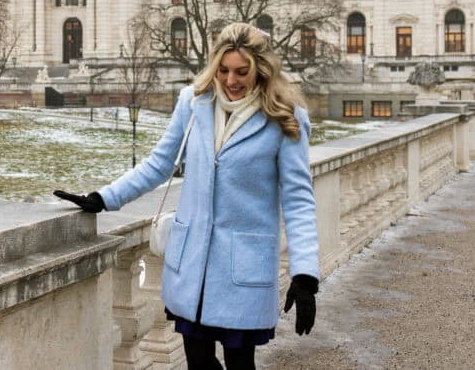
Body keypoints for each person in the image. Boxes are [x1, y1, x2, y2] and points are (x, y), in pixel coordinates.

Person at [56, 22, 319, 370]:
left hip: (243, 269)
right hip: (192, 266)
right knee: (197, 362)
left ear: (261, 70)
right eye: (223, 70)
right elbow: (159, 163)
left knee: (241, 363)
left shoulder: (284, 118)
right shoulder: (194, 103)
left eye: (242, 72)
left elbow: (299, 200)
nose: (231, 80)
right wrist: (104, 197)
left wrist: (305, 277)